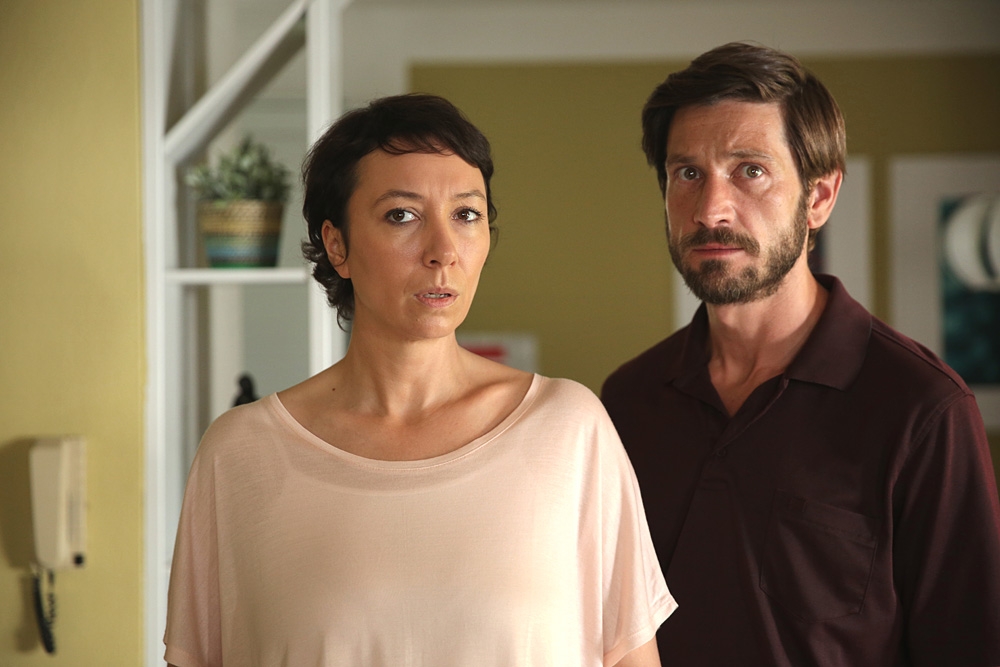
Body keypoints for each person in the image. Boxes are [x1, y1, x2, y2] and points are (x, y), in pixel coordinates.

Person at [164, 93, 675, 667]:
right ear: (337, 245)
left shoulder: (568, 430)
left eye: (466, 215)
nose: (443, 252)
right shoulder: (240, 454)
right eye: (401, 215)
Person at [601, 42, 1000, 666]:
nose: (710, 209)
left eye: (750, 170)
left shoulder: (923, 409)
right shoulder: (628, 400)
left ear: (819, 198)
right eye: (687, 174)